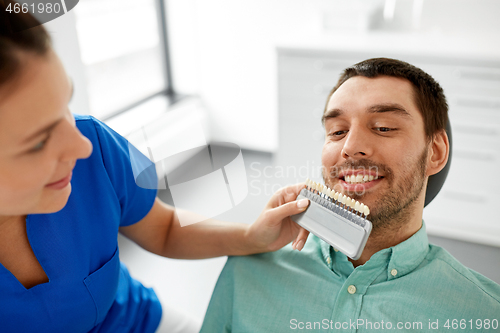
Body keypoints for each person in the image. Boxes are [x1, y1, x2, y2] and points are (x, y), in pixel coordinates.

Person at [0, 4, 312, 333]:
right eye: (38, 142)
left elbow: (163, 229)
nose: (82, 147)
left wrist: (251, 237)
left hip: (137, 322)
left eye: (65, 106)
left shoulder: (95, 145)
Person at [200, 58, 500, 332]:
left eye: (383, 127)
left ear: (434, 152)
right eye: (337, 131)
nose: (350, 146)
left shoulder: (486, 314)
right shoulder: (248, 269)